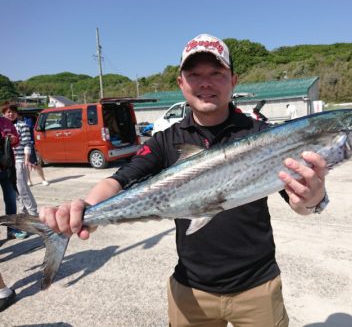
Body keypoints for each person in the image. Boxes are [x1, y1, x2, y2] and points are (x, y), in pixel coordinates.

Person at [40, 34, 329, 326]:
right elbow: (119, 180)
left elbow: (299, 203)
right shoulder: (166, 141)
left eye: (216, 73)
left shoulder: (264, 136)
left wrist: (313, 200)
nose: (206, 83)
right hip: (191, 289)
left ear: (233, 80)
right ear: (181, 83)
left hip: (258, 287)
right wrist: (86, 207)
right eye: (194, 75)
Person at [2, 103, 38, 220]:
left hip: (19, 160)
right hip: (9, 162)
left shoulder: (23, 125)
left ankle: (33, 212)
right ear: (4, 113)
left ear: (17, 113)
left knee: (22, 188)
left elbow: (28, 143)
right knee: (14, 190)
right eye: (8, 112)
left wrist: (27, 159)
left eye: (13, 111)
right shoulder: (3, 126)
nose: (11, 114)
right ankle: (22, 212)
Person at [0, 113, 26, 239]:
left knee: (11, 200)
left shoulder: (6, 122)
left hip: (7, 168)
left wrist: (12, 138)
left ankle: (12, 230)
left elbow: (16, 141)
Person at [23, 115, 49, 186]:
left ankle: (43, 179)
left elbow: (32, 130)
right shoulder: (13, 122)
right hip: (19, 145)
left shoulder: (29, 119)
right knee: (25, 165)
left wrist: (33, 143)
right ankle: (28, 180)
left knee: (35, 163)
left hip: (29, 143)